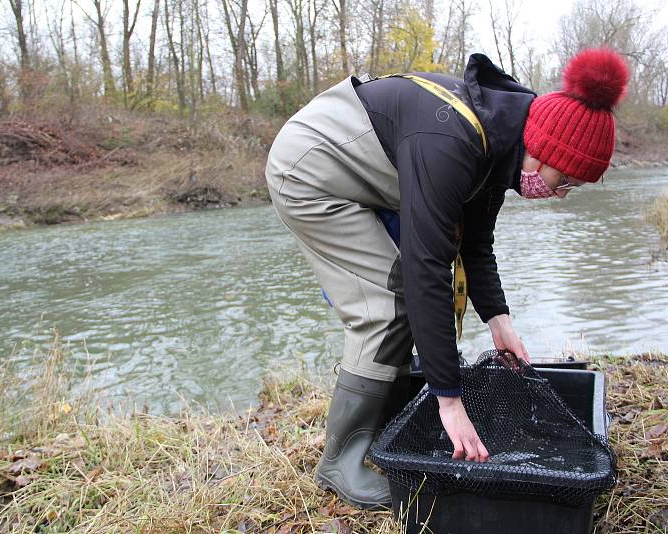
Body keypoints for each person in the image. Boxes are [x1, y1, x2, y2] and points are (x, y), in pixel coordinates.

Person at [264, 48, 629, 509]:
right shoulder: (452, 140)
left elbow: (474, 245)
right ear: (544, 151)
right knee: (387, 301)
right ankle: (341, 460)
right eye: (566, 181)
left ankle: (380, 425)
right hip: (308, 170)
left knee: (400, 295)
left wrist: (500, 321)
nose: (559, 194)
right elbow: (427, 269)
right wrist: (449, 398)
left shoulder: (498, 142)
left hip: (359, 175)